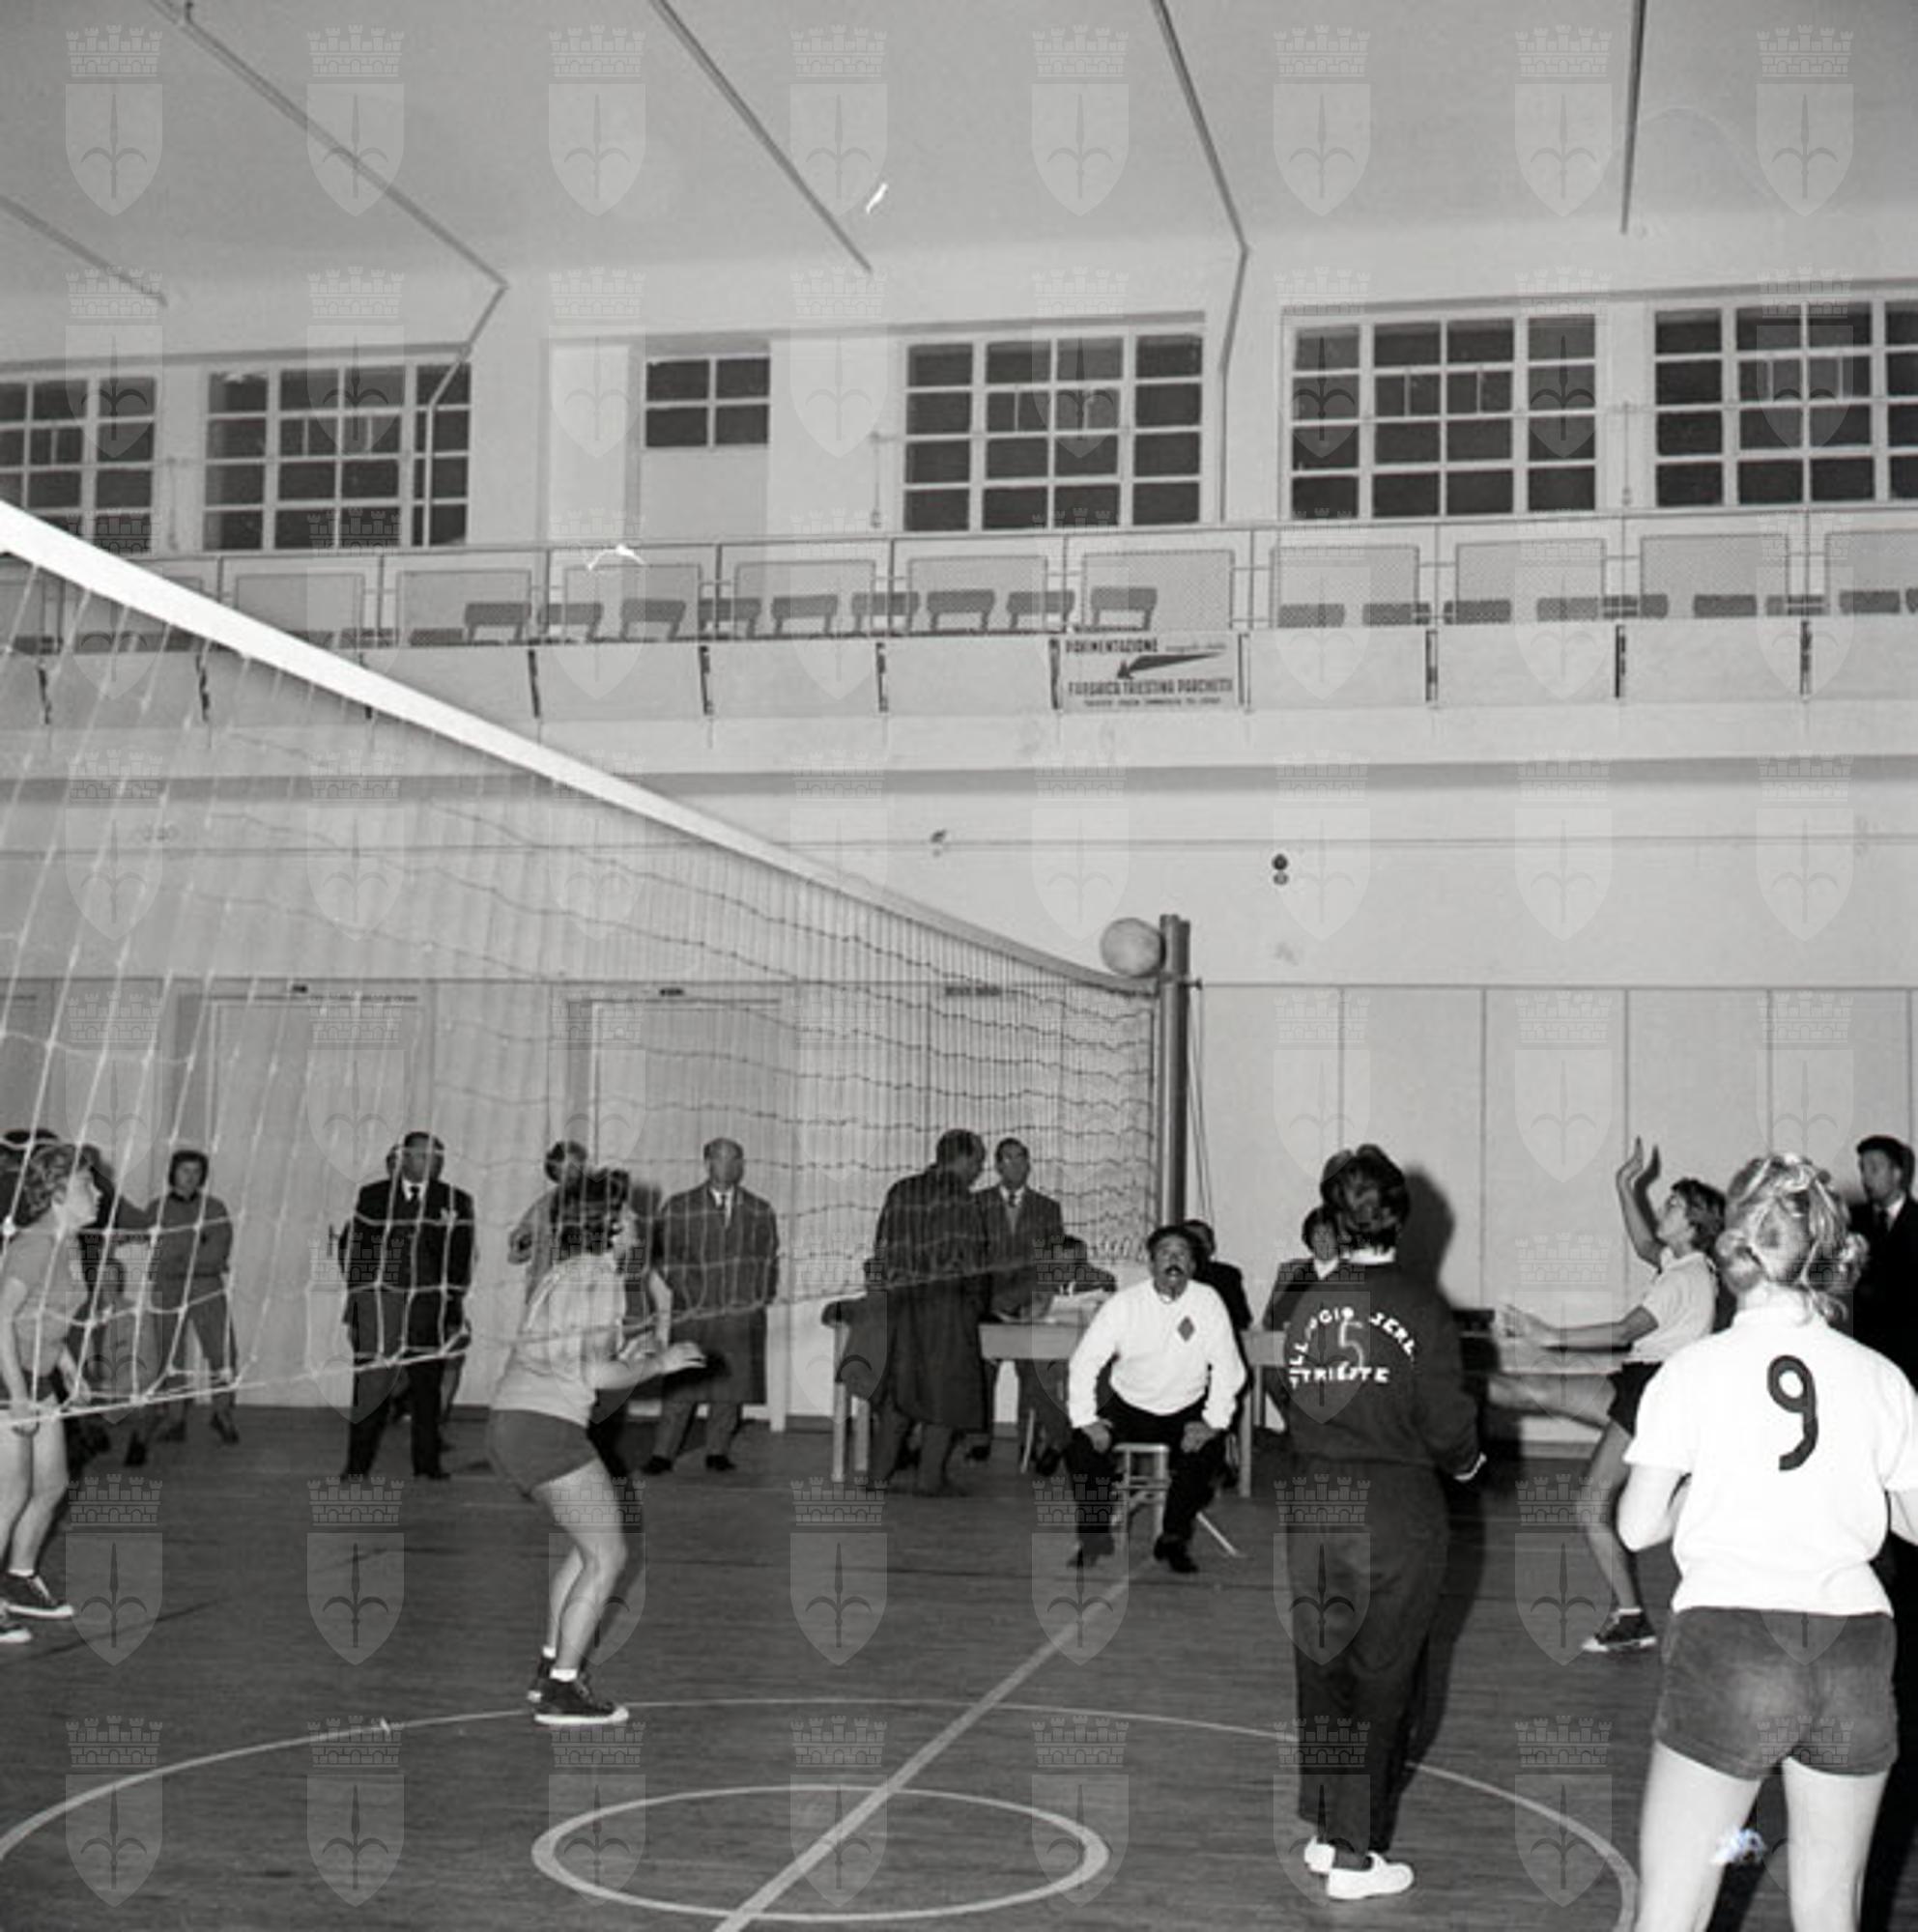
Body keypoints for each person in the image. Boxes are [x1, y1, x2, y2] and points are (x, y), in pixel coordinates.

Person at [1618, 1152, 1918, 1932]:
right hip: (1854, 1648)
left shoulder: (1691, 1371)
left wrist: (1715, 1483)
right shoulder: (1880, 1376)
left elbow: (1635, 1525)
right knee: (1829, 1913)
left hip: (1732, 1640)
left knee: (1671, 1914)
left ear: (1732, 1250)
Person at [1271, 1143, 1482, 1903]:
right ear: (1400, 1216)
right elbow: (1448, 1426)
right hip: (1394, 1506)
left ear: (1334, 1219)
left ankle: (1328, 1829)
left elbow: (1291, 1395)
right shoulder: (1420, 1307)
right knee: (1385, 1677)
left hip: (1313, 1502)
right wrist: (1468, 1466)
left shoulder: (1307, 1304)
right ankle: (1356, 1857)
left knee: (1324, 1669)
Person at [489, 1168, 703, 1726]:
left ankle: (550, 1670)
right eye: (626, 1214)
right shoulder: (597, 1278)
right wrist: (660, 1363)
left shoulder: (567, 1272)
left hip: (517, 1422)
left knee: (588, 1550)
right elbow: (592, 1373)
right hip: (545, 1430)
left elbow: (576, 1359)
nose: (635, 1221)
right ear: (606, 1225)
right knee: (609, 1557)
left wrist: (630, 1353)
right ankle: (562, 1691)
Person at [1493, 1138, 1724, 1654]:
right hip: (1641, 1382)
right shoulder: (1686, 1265)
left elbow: (1623, 1330)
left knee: (1589, 1506)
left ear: (1692, 1225)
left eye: (1673, 1205)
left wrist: (1551, 1335)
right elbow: (1644, 1245)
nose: (1663, 1209)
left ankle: (1631, 1618)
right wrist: (1624, 1186)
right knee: (1537, 1387)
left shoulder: (1683, 1281)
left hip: (1652, 1396)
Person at [1065, 1224, 1245, 1576]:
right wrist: (1086, 1419)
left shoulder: (1208, 1302)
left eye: (1182, 1254)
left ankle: (1173, 1538)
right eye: (1165, 1253)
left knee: (1208, 1453)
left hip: (1186, 1408)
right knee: (1081, 1450)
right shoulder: (1124, 1304)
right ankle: (1095, 1536)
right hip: (1128, 1407)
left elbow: (1229, 1367)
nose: (1173, 1260)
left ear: (1193, 1265)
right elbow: (1084, 1361)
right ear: (1151, 1264)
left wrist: (1212, 1422)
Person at [0, 1141, 100, 1640]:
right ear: (58, 1193)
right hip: (6, 1376)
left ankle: (18, 1579)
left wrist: (69, 1369)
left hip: (36, 1373)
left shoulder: (70, 1244)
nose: (97, 1192)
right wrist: (18, 1396)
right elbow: (1, 1319)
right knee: (10, 1491)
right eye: (86, 1183)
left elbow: (46, 1318)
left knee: (52, 1485)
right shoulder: (35, 1245)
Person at [339, 1131, 475, 1481]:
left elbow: (460, 1261)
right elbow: (357, 1253)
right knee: (370, 1387)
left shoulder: (455, 1200)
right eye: (424, 1156)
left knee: (427, 1388)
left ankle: (427, 1464)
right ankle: (357, 1467)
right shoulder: (373, 1196)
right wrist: (360, 1306)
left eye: (437, 1158)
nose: (432, 1163)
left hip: (428, 1307)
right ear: (404, 1158)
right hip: (382, 1306)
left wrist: (451, 1308)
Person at [644, 1138, 780, 1476]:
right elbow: (661, 1253)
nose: (730, 1166)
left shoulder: (759, 1209)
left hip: (739, 1314)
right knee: (683, 1383)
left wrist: (759, 1294)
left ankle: (717, 1451)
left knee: (730, 1386)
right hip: (694, 1311)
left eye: (736, 1160)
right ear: (707, 1163)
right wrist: (687, 1290)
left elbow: (768, 1257)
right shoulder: (679, 1206)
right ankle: (663, 1453)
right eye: (723, 1159)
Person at [867, 1129, 990, 1498]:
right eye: (977, 1161)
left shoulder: (900, 1191)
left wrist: (883, 1299)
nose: (978, 1169)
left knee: (900, 1394)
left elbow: (880, 1249)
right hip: (947, 1309)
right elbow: (972, 1262)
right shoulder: (961, 1199)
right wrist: (978, 1306)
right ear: (962, 1159)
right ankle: (929, 1479)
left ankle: (877, 1477)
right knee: (946, 1393)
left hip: (903, 1307)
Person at [126, 1150, 239, 1460]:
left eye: (196, 1171)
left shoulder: (214, 1208)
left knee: (222, 1350)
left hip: (206, 1285)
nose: (190, 1177)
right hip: (167, 1287)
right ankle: (174, 1418)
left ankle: (222, 1413)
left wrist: (182, 1255)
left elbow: (217, 1251)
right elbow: (155, 1253)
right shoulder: (156, 1209)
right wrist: (193, 1247)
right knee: (168, 1354)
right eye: (184, 1170)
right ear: (172, 1173)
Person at [972, 1138, 1068, 1462]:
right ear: (996, 1166)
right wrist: (982, 1304)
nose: (1014, 1164)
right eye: (1007, 1158)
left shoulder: (1048, 1208)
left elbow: (1054, 1263)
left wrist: (1041, 1303)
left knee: (1033, 1377)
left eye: (1020, 1158)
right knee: (981, 1374)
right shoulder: (976, 1204)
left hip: (1029, 1307)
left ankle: (1031, 1442)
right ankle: (978, 1439)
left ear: (1029, 1163)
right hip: (987, 1306)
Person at [1260, 1206, 1341, 1422]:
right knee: (1270, 1373)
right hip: (1292, 1352)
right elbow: (1271, 1317)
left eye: (1329, 1234)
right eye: (1317, 1234)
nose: (1323, 1240)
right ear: (1308, 1238)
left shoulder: (1355, 1273)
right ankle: (1294, 1426)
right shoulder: (1291, 1271)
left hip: (1337, 1354)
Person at [1851, 1133, 1918, 1383]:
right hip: (1863, 1352)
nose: (1866, 1178)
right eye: (1862, 1169)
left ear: (1897, 1173)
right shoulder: (1851, 1220)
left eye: (1874, 1169)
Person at [508, 1140, 590, 1298]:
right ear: (555, 1174)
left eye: (576, 1168)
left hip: (592, 1290)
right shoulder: (544, 1207)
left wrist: (632, 1289)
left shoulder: (609, 1201)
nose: (572, 1175)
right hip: (550, 1290)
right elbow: (518, 1246)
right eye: (564, 1171)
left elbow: (631, 1244)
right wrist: (527, 1240)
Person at [1182, 1217, 1254, 1331]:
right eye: (1189, 1242)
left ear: (1212, 1246)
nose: (1195, 1247)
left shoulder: (1227, 1276)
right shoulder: (1169, 1277)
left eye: (1200, 1241)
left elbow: (1241, 1319)